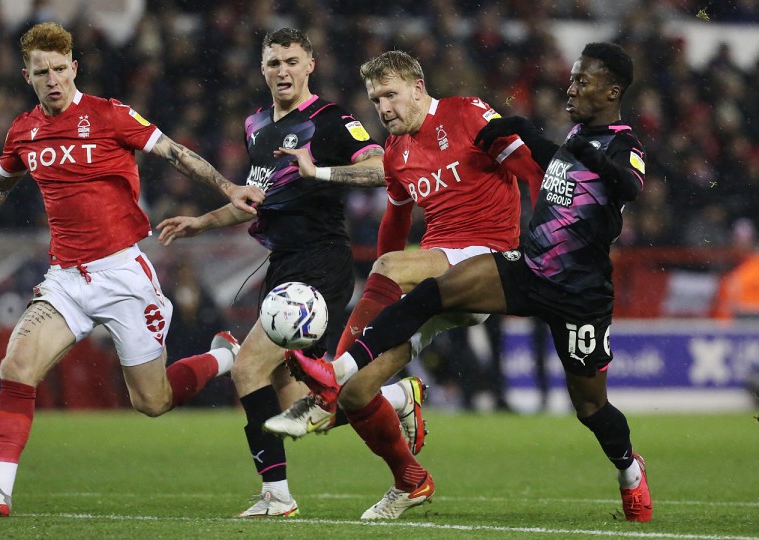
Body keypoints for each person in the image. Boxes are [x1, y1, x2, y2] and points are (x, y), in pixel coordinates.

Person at [290, 42, 653, 522]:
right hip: (528, 268)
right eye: (571, 79)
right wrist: (531, 134)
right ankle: (339, 375)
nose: (570, 88)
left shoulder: (623, 143)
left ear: (612, 92)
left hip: (581, 291)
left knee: (590, 407)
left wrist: (568, 148)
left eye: (581, 81)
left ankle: (629, 470)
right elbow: (547, 169)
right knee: (430, 294)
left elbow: (629, 186)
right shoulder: (574, 135)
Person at [0, 22, 258, 517]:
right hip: (66, 279)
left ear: (74, 68)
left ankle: (224, 356)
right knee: (16, 364)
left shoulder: (110, 115)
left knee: (152, 401)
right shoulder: (24, 131)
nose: (53, 79)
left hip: (124, 275)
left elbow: (174, 153)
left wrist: (229, 188)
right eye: (42, 72)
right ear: (27, 76)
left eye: (60, 69)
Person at [156, 28, 420, 518]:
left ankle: (276, 497)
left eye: (292, 61)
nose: (283, 71)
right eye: (274, 62)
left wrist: (319, 172)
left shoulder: (331, 120)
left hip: (320, 263)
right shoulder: (256, 125)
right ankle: (395, 395)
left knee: (247, 367)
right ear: (262, 68)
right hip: (282, 266)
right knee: (298, 406)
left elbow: (382, 168)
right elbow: (255, 199)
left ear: (310, 65)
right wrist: (201, 222)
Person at [267, 50, 541, 445]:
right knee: (358, 391)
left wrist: (547, 236)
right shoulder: (396, 151)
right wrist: (383, 282)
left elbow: (531, 169)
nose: (383, 108)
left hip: (486, 261)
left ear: (417, 88)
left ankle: (328, 378)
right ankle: (403, 420)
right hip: (436, 280)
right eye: (376, 100)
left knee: (388, 273)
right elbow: (395, 222)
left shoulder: (466, 113)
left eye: (390, 95)